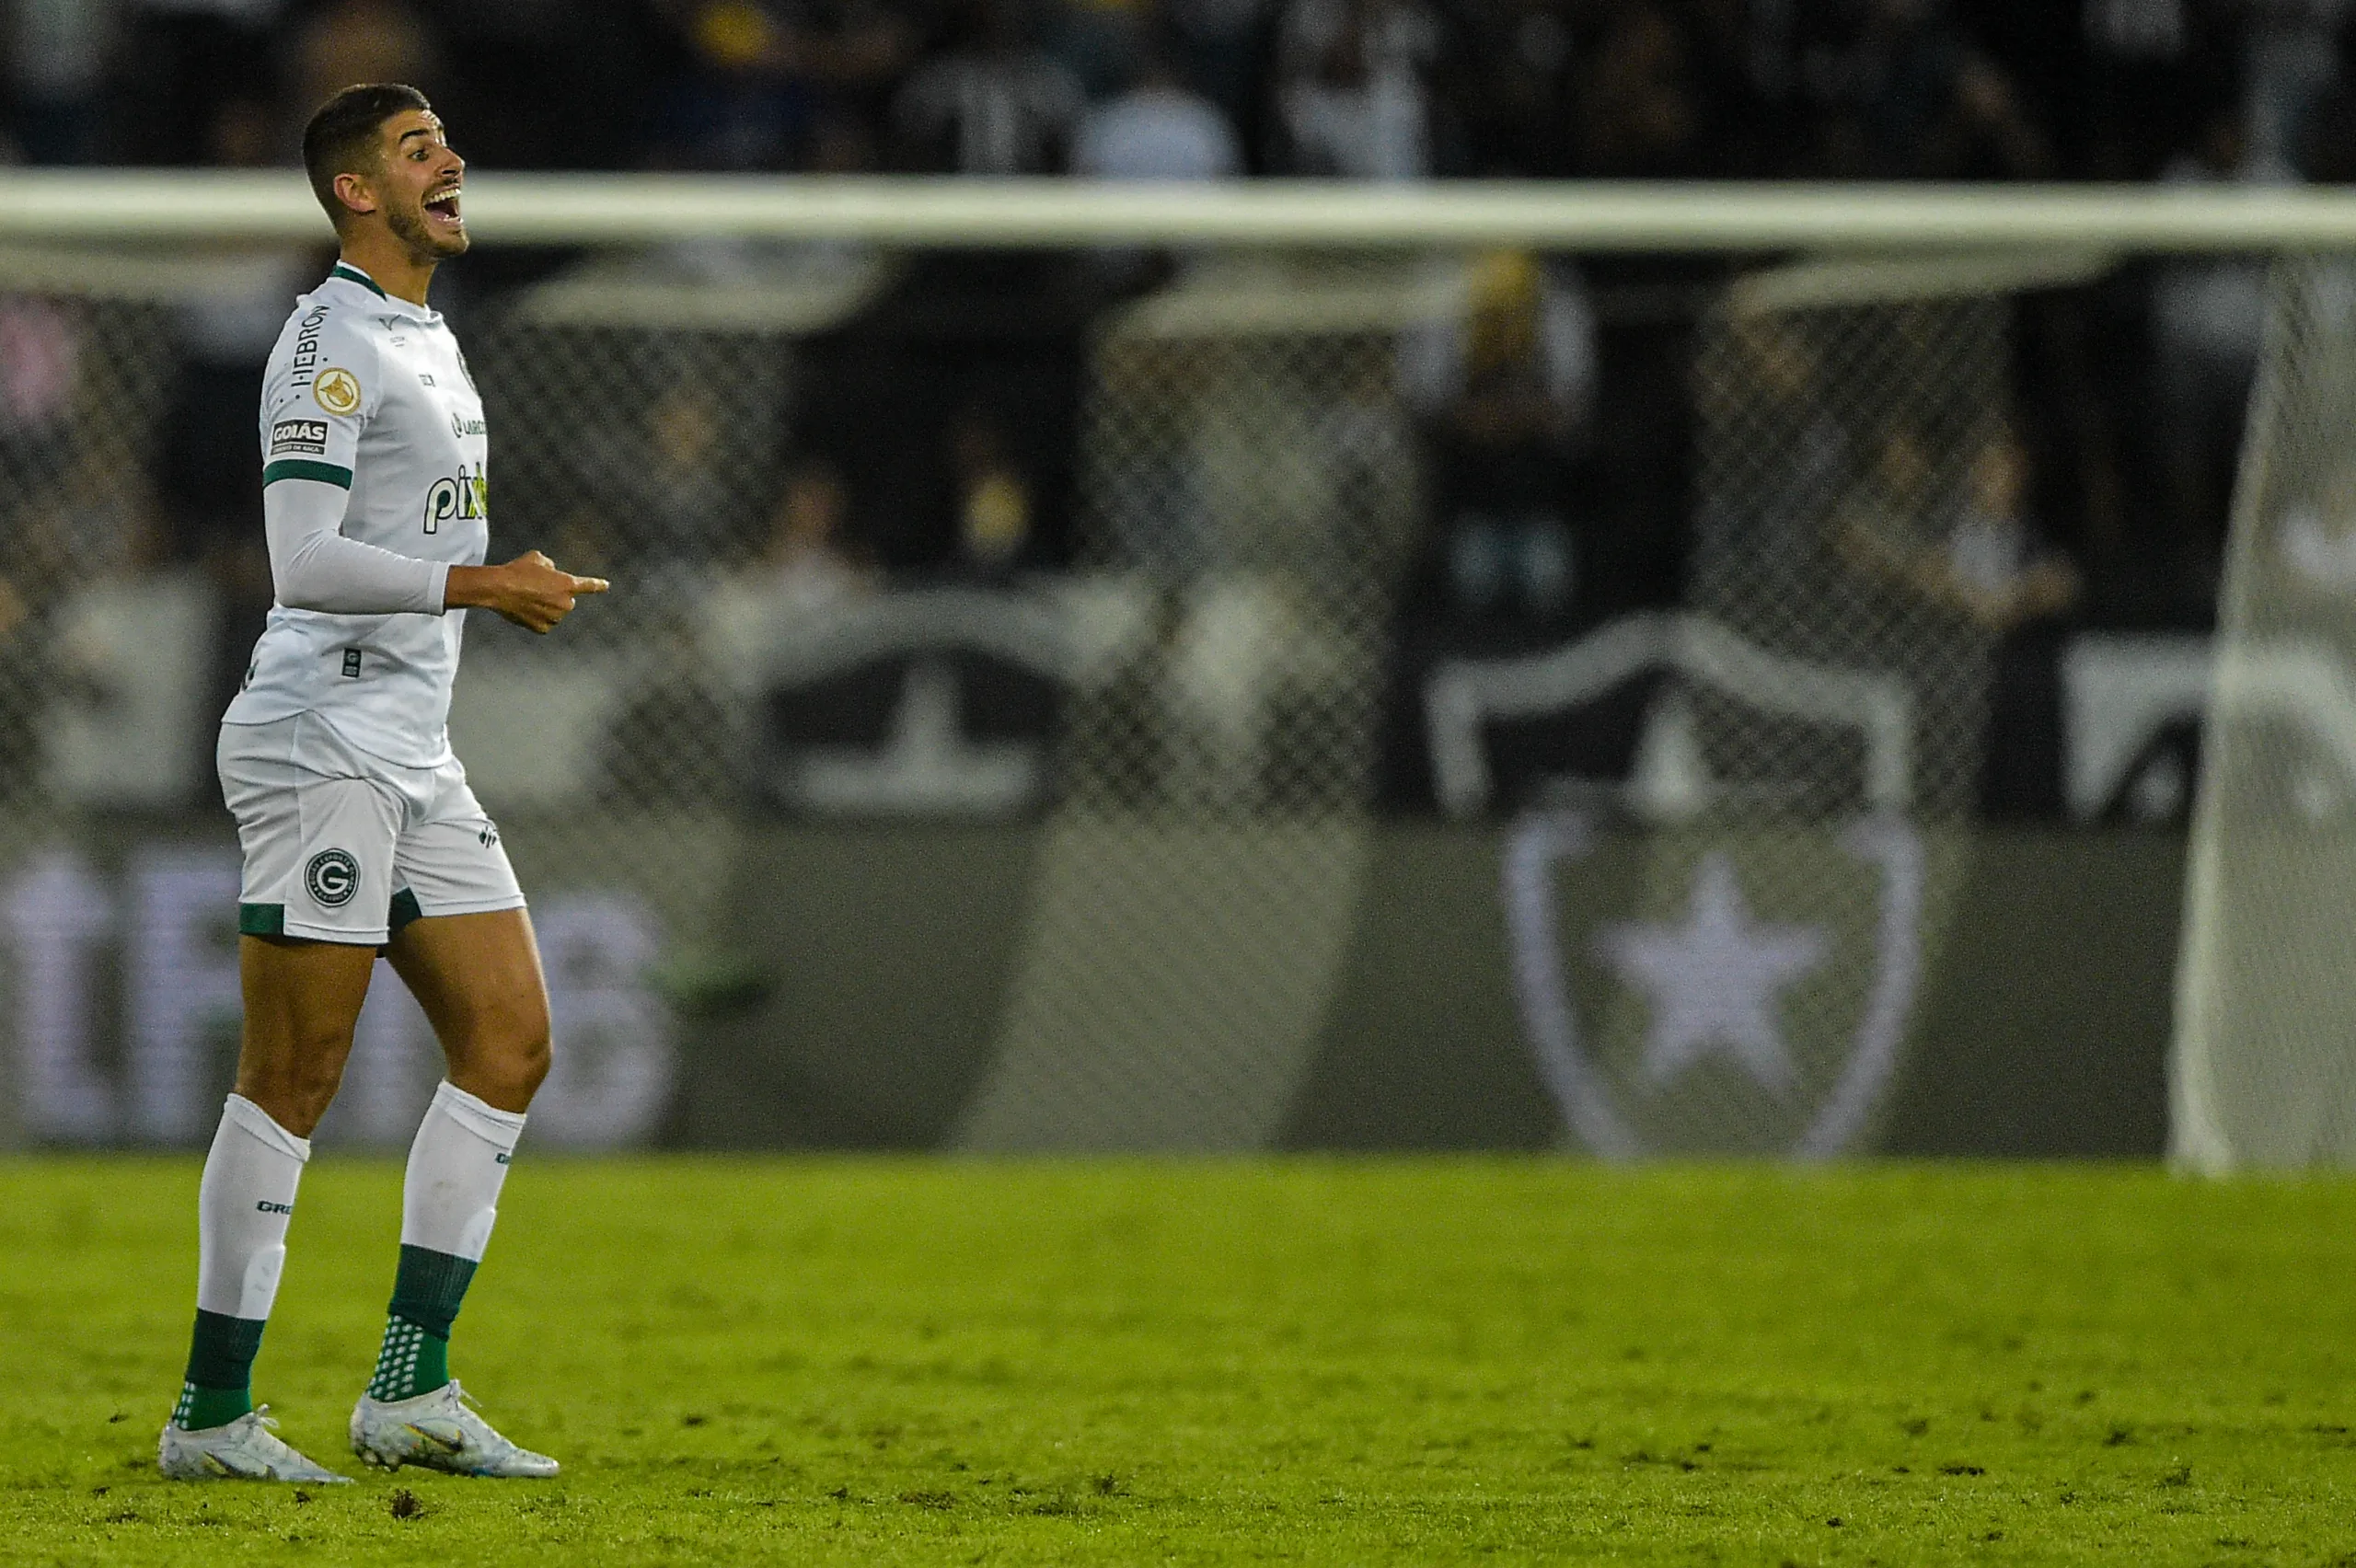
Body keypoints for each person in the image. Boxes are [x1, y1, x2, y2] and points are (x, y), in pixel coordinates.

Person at [156, 82, 607, 1484]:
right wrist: (485, 582)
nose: (450, 160)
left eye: (446, 143)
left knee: (513, 1042)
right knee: (297, 1069)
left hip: (412, 748)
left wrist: (474, 583)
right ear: (359, 191)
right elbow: (301, 562)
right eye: (419, 150)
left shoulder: (428, 338)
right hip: (321, 740)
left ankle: (411, 1388)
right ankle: (211, 1417)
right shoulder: (327, 346)